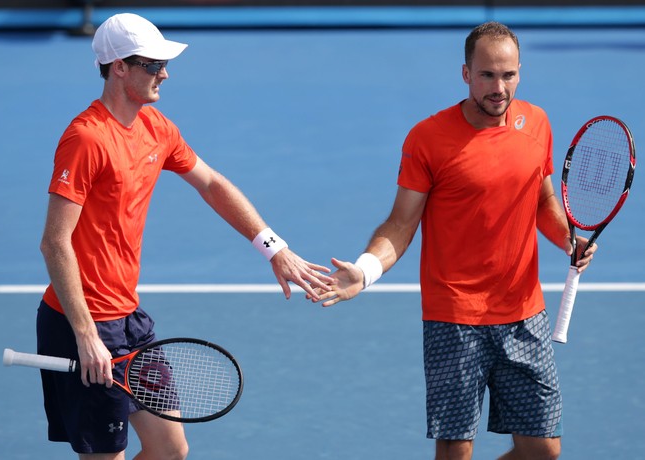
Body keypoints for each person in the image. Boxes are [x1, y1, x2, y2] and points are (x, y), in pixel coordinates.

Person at [37, 13, 332, 460]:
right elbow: (55, 242)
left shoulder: (157, 128)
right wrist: (85, 334)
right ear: (119, 66)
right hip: (82, 322)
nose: (165, 73)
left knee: (170, 449)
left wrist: (274, 248)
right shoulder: (87, 139)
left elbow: (211, 184)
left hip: (128, 319)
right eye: (154, 64)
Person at [312, 22, 596, 460]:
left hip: (524, 311)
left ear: (520, 72)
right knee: (456, 451)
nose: (498, 87)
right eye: (487, 75)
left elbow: (541, 196)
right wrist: (365, 270)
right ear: (466, 74)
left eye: (508, 75)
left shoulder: (536, 122)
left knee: (543, 450)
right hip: (455, 316)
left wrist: (566, 238)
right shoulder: (428, 139)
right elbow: (402, 223)